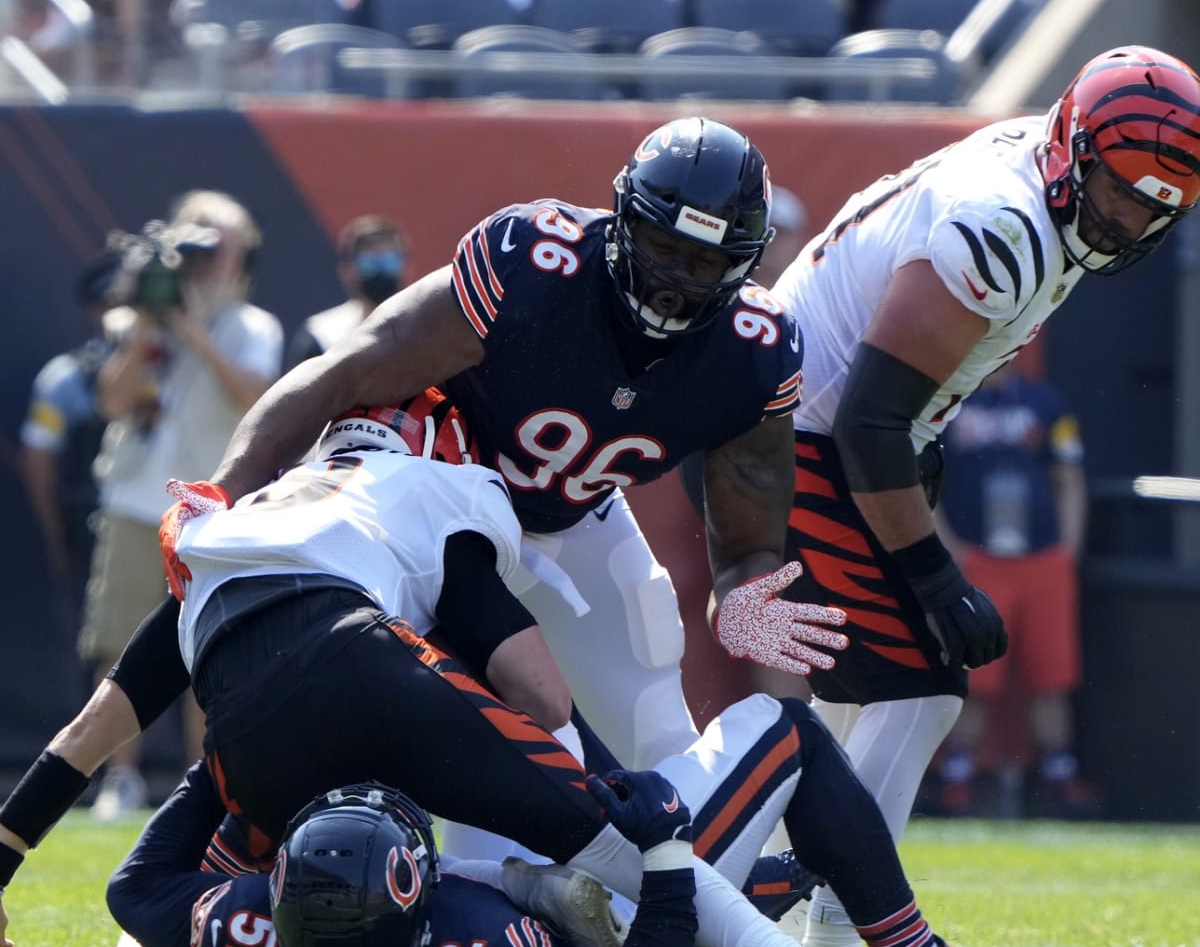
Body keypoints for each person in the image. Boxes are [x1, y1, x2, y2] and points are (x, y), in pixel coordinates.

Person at [0, 401, 1067, 947]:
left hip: (248, 716)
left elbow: (90, 733)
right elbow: (541, 695)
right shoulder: (427, 486)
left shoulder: (237, 525)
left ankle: (195, 940)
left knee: (244, 793)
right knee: (640, 843)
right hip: (366, 667)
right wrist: (592, 802)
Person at [160, 117, 846, 874]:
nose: (677, 279)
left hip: (572, 518)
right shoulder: (536, 261)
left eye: (706, 262)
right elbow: (345, 372)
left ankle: (672, 919)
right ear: (622, 220)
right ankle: (197, 891)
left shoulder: (754, 349)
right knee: (341, 700)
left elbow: (746, 537)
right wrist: (222, 491)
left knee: (659, 724)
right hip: (434, 511)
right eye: (665, 247)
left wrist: (743, 592)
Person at [727, 43, 1200, 947]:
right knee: (923, 684)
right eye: (1119, 192)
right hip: (801, 427)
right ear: (1075, 151)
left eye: (1158, 205)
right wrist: (937, 577)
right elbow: (868, 418)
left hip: (809, 416)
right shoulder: (1003, 225)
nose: (1131, 219)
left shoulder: (1040, 186)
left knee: (857, 702)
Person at [107, 764, 702, 947]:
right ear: (419, 909)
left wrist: (223, 762)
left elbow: (132, 888)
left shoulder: (238, 929)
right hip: (520, 933)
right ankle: (534, 892)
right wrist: (668, 851)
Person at [80, 192, 283, 819]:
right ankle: (121, 779)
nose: (205, 260)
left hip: (209, 505)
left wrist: (192, 329)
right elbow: (111, 402)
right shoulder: (130, 320)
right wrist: (146, 318)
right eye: (194, 244)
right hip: (135, 499)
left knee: (209, 646)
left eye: (217, 246)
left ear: (240, 256)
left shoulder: (253, 326)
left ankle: (206, 778)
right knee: (120, 644)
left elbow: (255, 396)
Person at [931, 363, 1098, 818]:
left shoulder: (1046, 403)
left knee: (1052, 673)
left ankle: (1060, 773)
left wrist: (1067, 549)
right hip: (977, 558)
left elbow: (1069, 477)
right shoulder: (951, 401)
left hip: (1041, 559)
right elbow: (921, 484)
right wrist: (949, 549)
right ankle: (958, 773)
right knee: (975, 672)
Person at [18, 248, 122, 605]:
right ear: (95, 310)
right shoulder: (65, 379)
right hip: (98, 529)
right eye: (112, 302)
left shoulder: (188, 365)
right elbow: (38, 461)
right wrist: (57, 536)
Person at [284, 214, 409, 370]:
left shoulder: (422, 327)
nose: (381, 271)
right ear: (347, 271)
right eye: (370, 263)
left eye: (389, 261)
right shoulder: (322, 335)